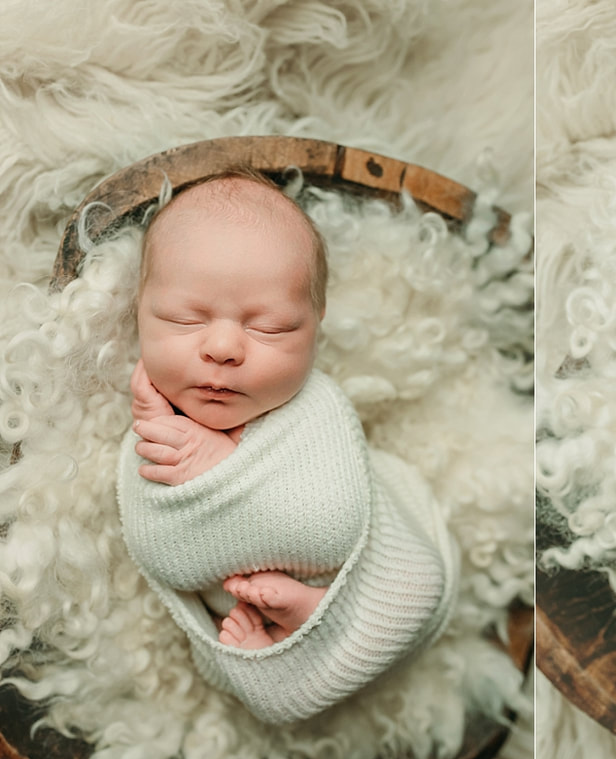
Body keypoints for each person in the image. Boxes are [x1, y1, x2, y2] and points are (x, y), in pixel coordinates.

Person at [117, 171, 459, 723]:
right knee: (253, 687)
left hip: (377, 567)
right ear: (139, 311)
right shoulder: (152, 431)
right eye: (185, 319)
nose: (224, 347)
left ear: (315, 329)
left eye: (271, 328)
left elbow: (328, 530)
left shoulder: (313, 406)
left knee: (418, 584)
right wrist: (186, 475)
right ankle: (301, 646)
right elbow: (165, 557)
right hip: (254, 633)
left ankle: (323, 616)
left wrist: (219, 467)